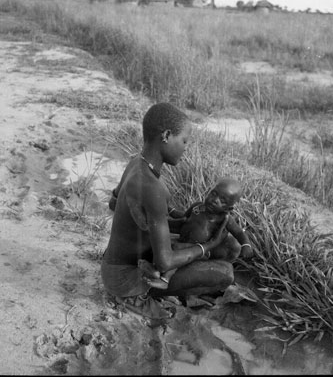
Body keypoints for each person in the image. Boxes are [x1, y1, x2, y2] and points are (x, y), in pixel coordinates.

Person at [101, 102, 234, 319]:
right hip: (125, 281)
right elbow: (165, 261)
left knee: (212, 248)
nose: (185, 148)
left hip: (113, 266)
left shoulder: (136, 163)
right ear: (166, 135)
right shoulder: (153, 188)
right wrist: (207, 245)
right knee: (225, 272)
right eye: (184, 141)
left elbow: (114, 205)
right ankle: (139, 296)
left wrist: (169, 218)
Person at [138, 178, 253, 290]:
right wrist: (169, 209)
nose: (215, 200)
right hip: (184, 240)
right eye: (213, 194)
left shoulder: (224, 219)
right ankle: (155, 269)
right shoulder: (197, 206)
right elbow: (183, 217)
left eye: (222, 201)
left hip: (199, 249)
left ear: (228, 208)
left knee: (176, 250)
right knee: (163, 243)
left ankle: (165, 280)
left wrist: (246, 245)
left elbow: (238, 232)